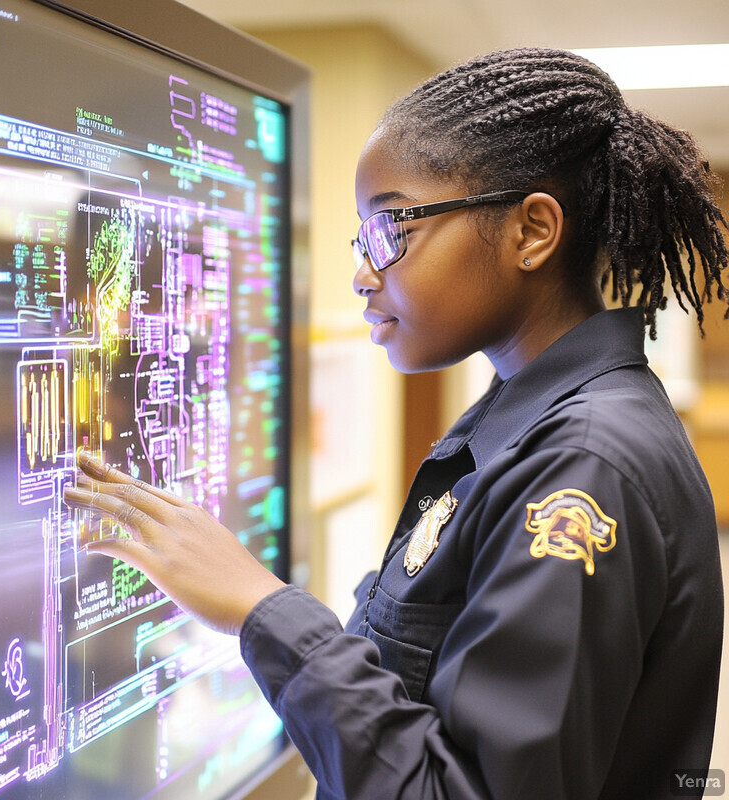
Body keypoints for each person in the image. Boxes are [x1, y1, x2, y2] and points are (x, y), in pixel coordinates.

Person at [64, 47, 728, 799]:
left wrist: (261, 608)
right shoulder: (530, 422)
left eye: (391, 229)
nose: (360, 272)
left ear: (532, 232)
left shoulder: (583, 464)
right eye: (361, 239)